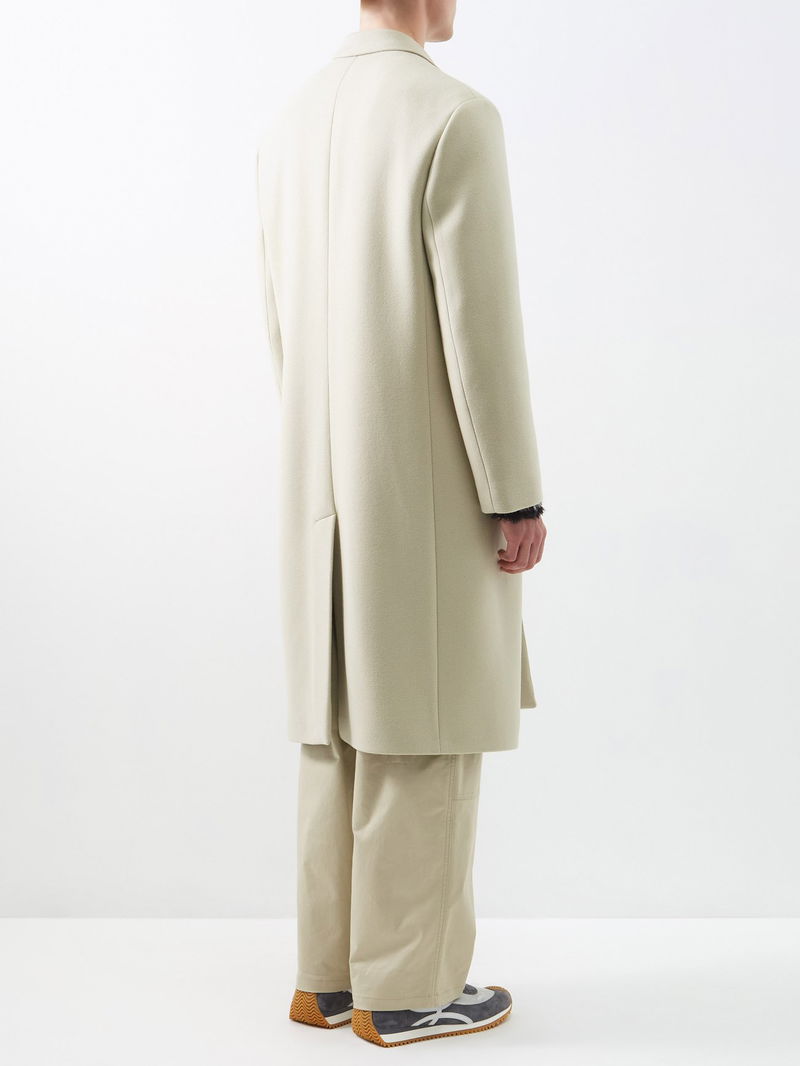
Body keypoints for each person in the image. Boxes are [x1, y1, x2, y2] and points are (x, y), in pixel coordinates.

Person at [255, 0, 547, 1048]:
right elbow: (479, 328)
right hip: (421, 482)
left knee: (333, 726)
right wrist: (513, 492)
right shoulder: (451, 116)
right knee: (425, 727)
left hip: (317, 481)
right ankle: (409, 987)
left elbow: (282, 324)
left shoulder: (289, 123)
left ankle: (327, 977)